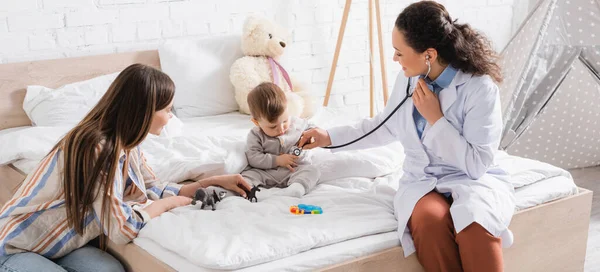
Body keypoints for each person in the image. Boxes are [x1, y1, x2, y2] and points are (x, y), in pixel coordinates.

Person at [298, 1, 515, 271]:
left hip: (470, 179)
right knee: (428, 221)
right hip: (423, 181)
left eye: (399, 53)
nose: (394, 59)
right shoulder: (410, 79)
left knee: (475, 222)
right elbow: (384, 126)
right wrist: (328, 136)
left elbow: (476, 165)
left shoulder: (479, 89)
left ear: (429, 54)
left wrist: (436, 119)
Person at [0, 63, 251, 272]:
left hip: (62, 244)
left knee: (110, 270)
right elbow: (122, 229)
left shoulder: (128, 145)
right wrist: (167, 205)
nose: (170, 116)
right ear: (143, 111)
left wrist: (207, 183)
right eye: (165, 109)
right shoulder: (97, 149)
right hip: (16, 246)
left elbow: (149, 189)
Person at [241, 82, 320, 199]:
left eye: (284, 121)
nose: (281, 129)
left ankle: (296, 189)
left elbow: (312, 129)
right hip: (266, 172)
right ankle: (254, 193)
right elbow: (253, 157)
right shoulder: (255, 135)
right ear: (256, 122)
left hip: (294, 170)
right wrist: (277, 160)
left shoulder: (298, 124)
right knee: (245, 176)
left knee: (312, 170)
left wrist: (312, 136)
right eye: (273, 127)